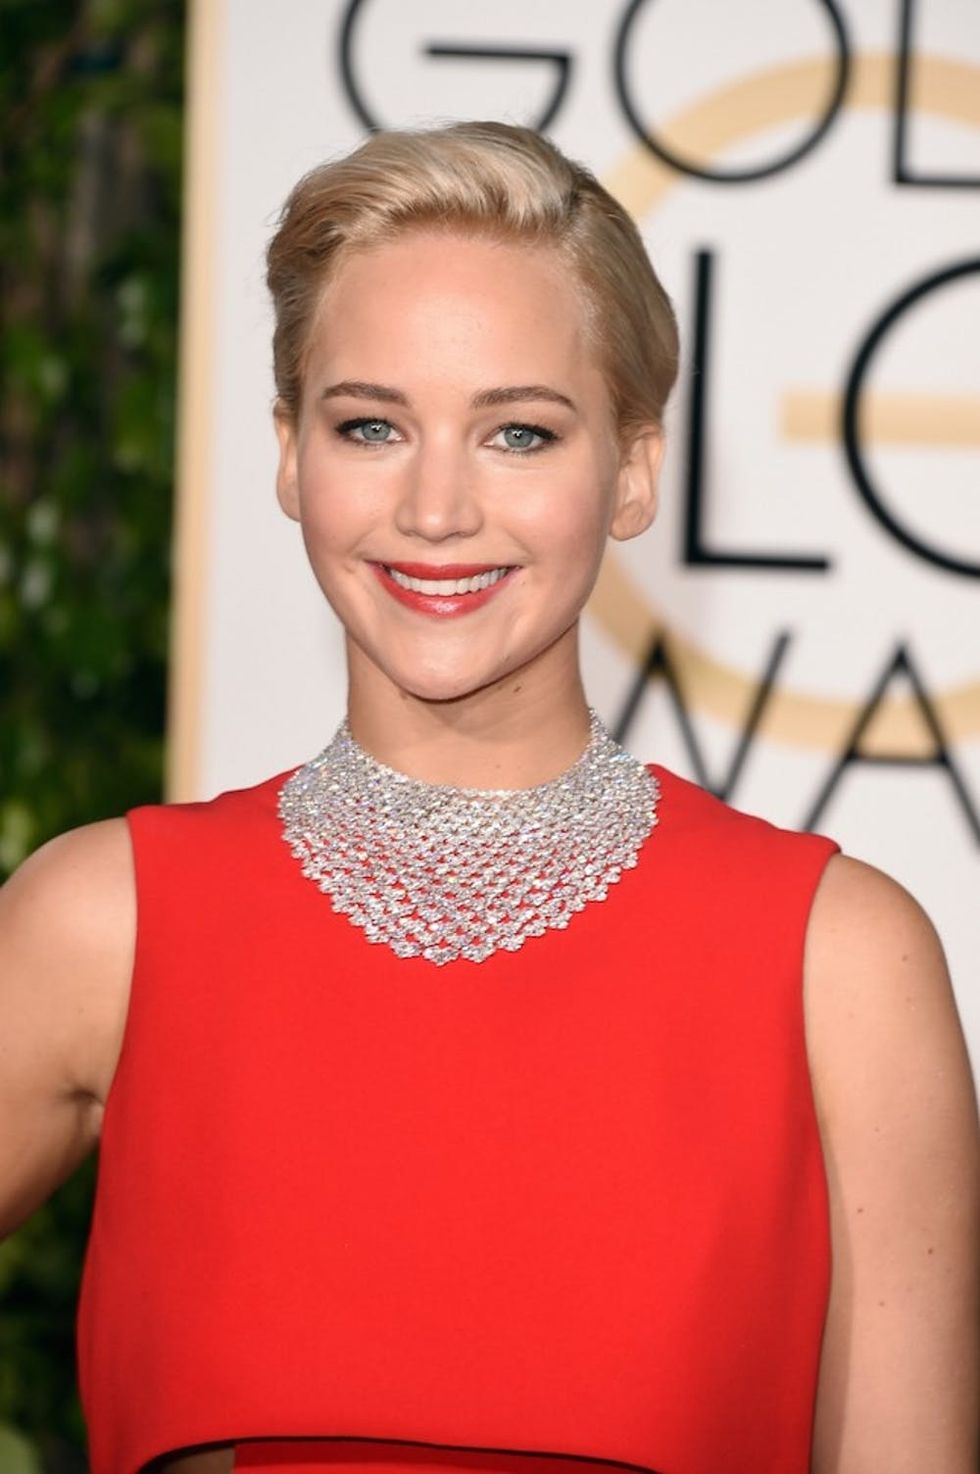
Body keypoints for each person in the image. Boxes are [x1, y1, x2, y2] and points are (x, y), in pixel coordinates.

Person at [0, 121, 976, 1474]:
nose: (438, 506)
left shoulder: (838, 961)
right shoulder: (103, 921)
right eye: (370, 425)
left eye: (519, 429)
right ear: (290, 453)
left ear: (632, 467)